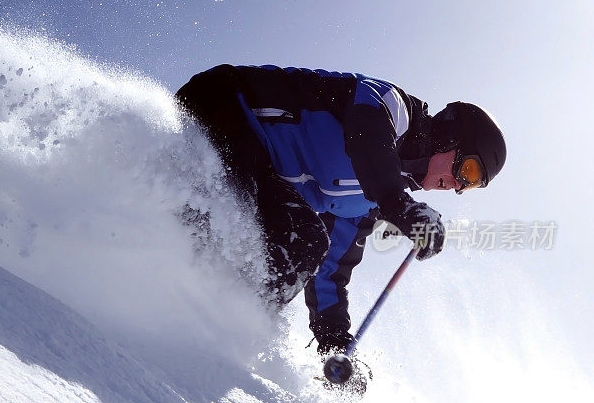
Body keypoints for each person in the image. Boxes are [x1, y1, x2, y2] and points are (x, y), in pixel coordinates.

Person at [175, 64, 506, 357]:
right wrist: (400, 206)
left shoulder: (370, 200)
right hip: (225, 105)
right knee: (299, 234)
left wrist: (334, 341)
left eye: (471, 185)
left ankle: (205, 315)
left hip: (253, 172)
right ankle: (212, 322)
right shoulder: (390, 106)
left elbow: (330, 269)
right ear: (451, 137)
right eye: (470, 171)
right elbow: (368, 137)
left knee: (303, 243)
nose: (458, 185)